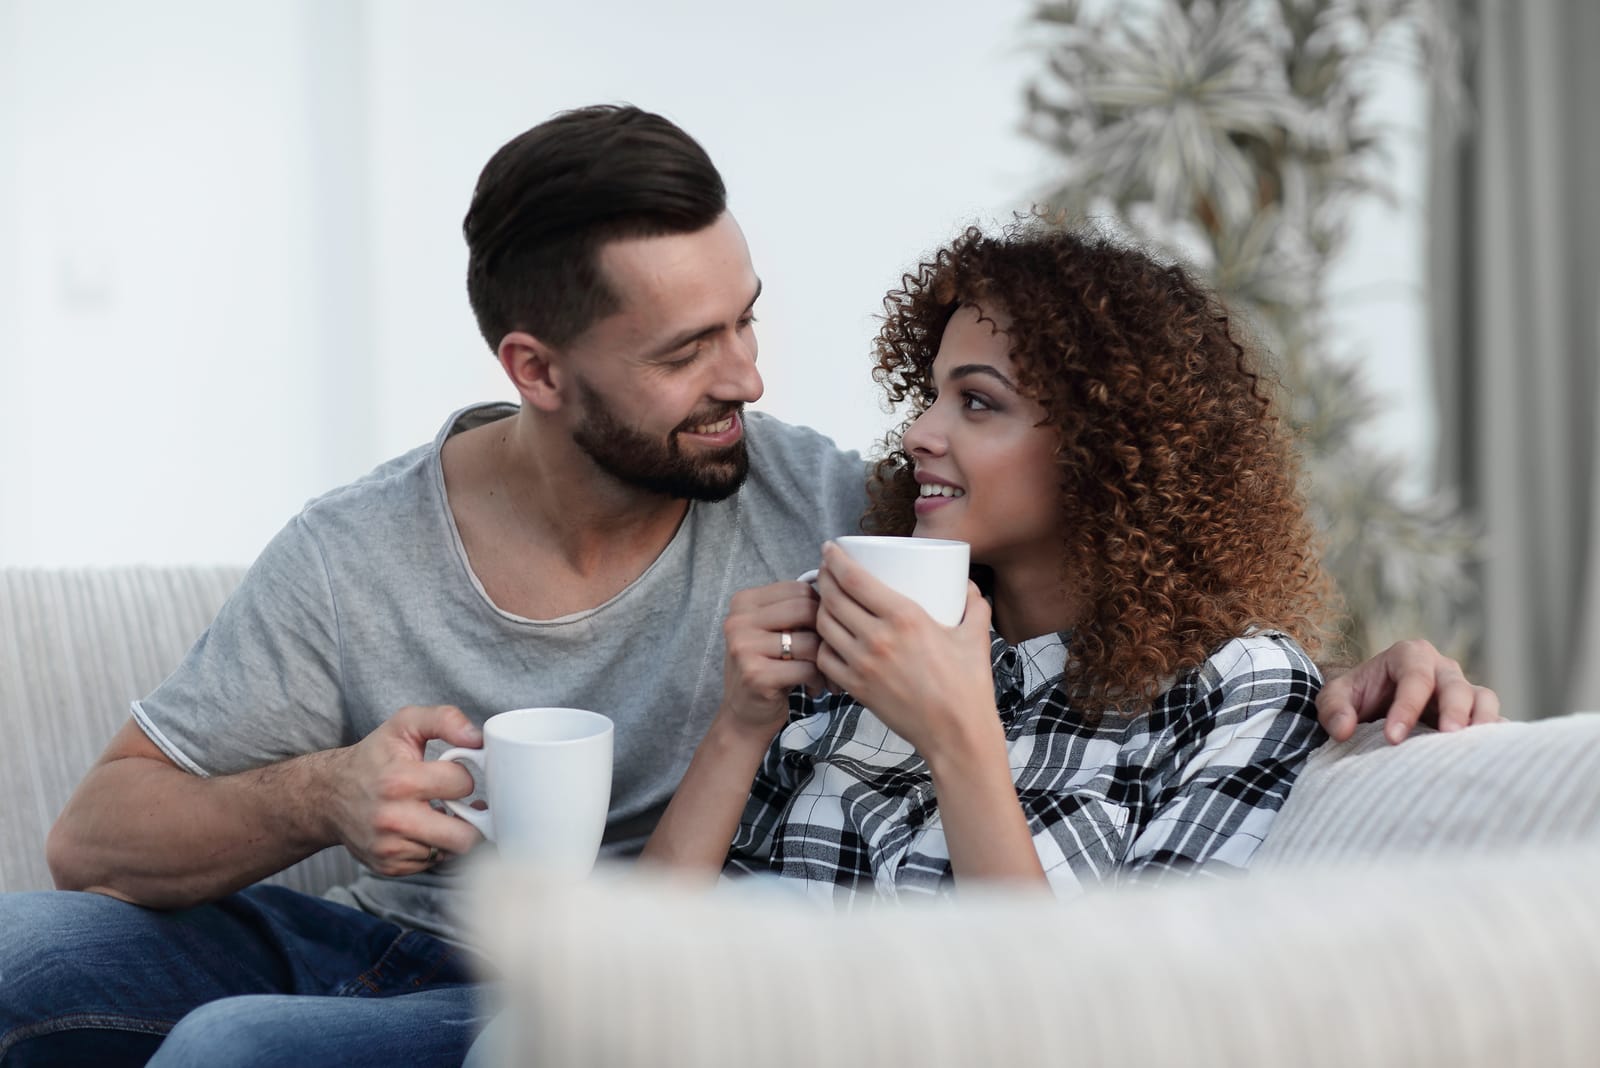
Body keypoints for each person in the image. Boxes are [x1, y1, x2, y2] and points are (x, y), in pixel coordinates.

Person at [0, 105, 1496, 1066]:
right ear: (536, 369)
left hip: (647, 995)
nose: (752, 382)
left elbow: (1152, 604)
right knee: (32, 961)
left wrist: (1370, 672)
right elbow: (94, 835)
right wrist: (322, 797)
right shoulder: (355, 552)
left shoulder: (836, 516)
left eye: (749, 322)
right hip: (455, 944)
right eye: (684, 354)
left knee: (233, 1054)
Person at [639, 222, 1426, 900]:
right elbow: (637, 961)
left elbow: (1104, 1021)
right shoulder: (856, 624)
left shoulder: (1233, 690)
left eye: (977, 402)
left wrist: (958, 738)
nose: (920, 432)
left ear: (1108, 453)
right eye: (934, 393)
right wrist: (741, 726)